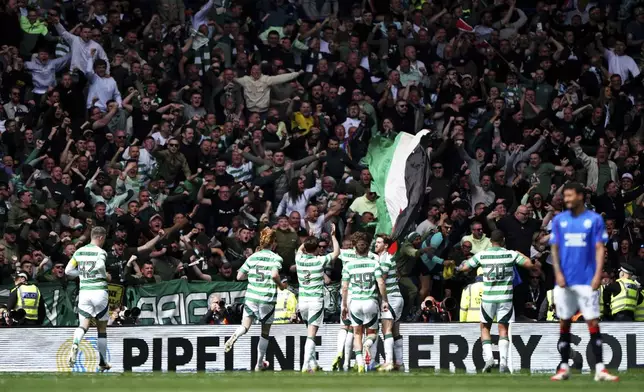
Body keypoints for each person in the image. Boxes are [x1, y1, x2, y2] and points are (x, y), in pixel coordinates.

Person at [549, 182, 618, 382]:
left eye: (569, 195)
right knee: (564, 322)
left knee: (592, 321)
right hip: (565, 281)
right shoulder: (559, 220)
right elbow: (554, 248)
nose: (566, 199)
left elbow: (599, 248)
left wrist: (597, 275)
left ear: (580, 196)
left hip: (587, 280)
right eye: (565, 196)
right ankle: (564, 367)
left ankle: (600, 369)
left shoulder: (594, 219)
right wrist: (558, 273)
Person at [456, 230, 535, 373]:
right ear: (503, 240)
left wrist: (459, 266)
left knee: (485, 327)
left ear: (491, 241)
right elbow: (529, 265)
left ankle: (489, 358)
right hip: (505, 298)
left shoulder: (483, 255)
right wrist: (520, 253)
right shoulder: (510, 254)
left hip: (488, 298)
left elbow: (465, 267)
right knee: (503, 329)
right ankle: (503, 362)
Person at [64, 226, 129, 371]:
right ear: (101, 237)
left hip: (85, 292)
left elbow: (68, 271)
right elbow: (99, 266)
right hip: (99, 292)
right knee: (102, 329)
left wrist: (82, 273)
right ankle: (102, 362)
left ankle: (75, 344)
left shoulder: (79, 251)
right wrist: (105, 275)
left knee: (83, 326)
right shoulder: (101, 252)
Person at [224, 228, 287, 371]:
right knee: (265, 332)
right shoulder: (276, 258)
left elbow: (239, 276)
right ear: (273, 243)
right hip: (266, 298)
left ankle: (236, 334)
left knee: (245, 326)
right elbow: (275, 275)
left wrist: (251, 276)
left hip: (251, 296)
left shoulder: (252, 257)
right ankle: (259, 364)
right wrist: (281, 286)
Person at [340, 231, 389, 373]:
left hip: (354, 303)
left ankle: (360, 363)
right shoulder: (374, 263)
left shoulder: (348, 266)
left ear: (355, 248)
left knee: (356, 333)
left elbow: (344, 287)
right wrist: (384, 300)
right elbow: (381, 283)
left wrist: (344, 305)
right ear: (368, 248)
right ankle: (368, 344)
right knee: (372, 333)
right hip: (370, 302)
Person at [295, 223, 340, 372]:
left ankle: (313, 364)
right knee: (311, 336)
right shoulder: (319, 261)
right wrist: (333, 236)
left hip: (302, 302)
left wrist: (309, 237)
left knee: (309, 332)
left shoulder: (299, 259)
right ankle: (305, 365)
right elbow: (336, 253)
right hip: (315, 301)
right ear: (316, 250)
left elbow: (302, 249)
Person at [374, 234, 404, 372]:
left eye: (379, 242)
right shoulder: (385, 258)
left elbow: (382, 280)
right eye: (376, 242)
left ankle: (389, 362)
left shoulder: (385, 259)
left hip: (391, 298)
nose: (376, 244)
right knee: (395, 331)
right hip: (396, 297)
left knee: (386, 330)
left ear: (386, 245)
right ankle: (400, 362)